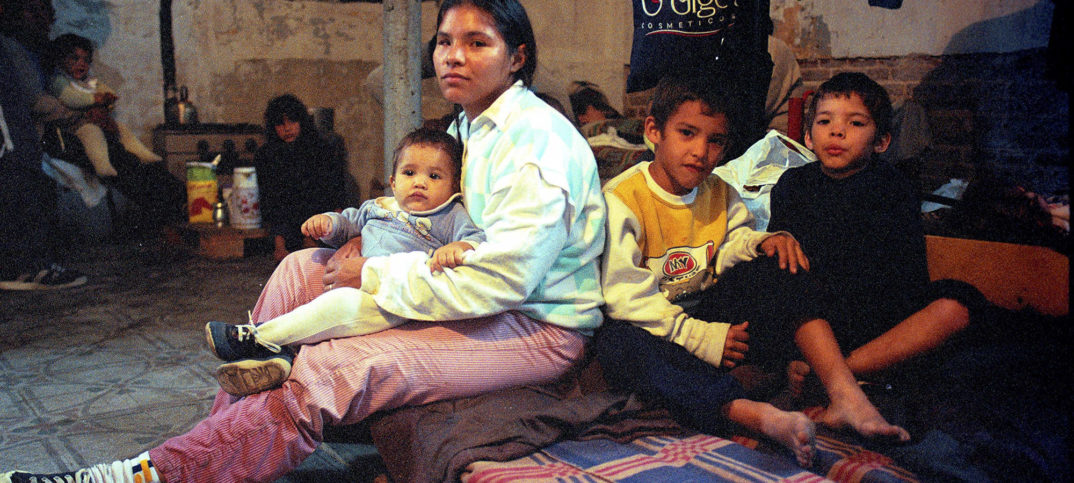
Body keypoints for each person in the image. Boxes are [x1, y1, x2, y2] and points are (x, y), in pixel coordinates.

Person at [1, 0, 606, 481]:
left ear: (517, 56)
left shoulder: (536, 144)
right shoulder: (467, 122)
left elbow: (501, 280)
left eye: (478, 43)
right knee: (297, 269)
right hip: (470, 292)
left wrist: (371, 275)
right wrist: (367, 238)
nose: (454, 56)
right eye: (446, 41)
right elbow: (431, 218)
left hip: (533, 325)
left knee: (330, 365)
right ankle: (209, 449)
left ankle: (153, 475)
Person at [594, 74, 908, 464]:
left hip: (714, 321)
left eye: (715, 141)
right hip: (661, 330)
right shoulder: (623, 199)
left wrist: (761, 242)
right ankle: (752, 413)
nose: (700, 152)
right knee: (617, 342)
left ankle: (844, 393)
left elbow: (732, 244)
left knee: (779, 260)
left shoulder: (718, 190)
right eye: (687, 133)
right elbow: (624, 297)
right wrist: (698, 338)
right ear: (654, 131)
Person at [204, 128, 485, 397]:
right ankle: (278, 355)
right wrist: (329, 223)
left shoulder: (449, 215)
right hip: (357, 282)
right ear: (393, 181)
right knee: (315, 298)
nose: (420, 182)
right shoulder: (380, 207)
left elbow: (476, 240)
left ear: (453, 187)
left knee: (338, 307)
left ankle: (257, 337)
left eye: (434, 176)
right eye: (409, 173)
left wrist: (460, 246)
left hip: (394, 297)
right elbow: (349, 222)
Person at [768, 72, 985, 386]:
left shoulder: (893, 187)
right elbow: (783, 260)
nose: (837, 132)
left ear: (881, 141)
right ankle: (832, 369)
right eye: (824, 122)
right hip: (814, 313)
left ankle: (840, 370)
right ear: (809, 137)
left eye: (855, 123)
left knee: (958, 304)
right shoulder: (793, 185)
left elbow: (904, 275)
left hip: (878, 313)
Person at [0, 0, 87, 291]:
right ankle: (26, 267)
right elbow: (36, 103)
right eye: (32, 11)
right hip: (39, 137)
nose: (42, 20)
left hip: (46, 133)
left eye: (45, 13)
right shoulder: (10, 49)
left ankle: (28, 265)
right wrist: (82, 115)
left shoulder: (31, 52)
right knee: (24, 167)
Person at [47, 33, 162, 178]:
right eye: (75, 58)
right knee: (92, 133)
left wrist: (108, 99)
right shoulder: (59, 80)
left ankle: (142, 153)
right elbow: (71, 99)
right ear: (61, 60)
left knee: (121, 128)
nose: (82, 64)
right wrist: (96, 99)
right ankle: (102, 165)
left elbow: (105, 91)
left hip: (93, 120)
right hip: (74, 126)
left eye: (86, 60)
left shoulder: (89, 81)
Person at [254, 93, 348, 262]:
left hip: (316, 214)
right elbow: (269, 200)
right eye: (280, 124)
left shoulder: (320, 148)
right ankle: (279, 247)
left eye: (292, 121)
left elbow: (333, 189)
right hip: (284, 220)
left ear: (302, 122)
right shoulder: (266, 155)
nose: (287, 128)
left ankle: (312, 239)